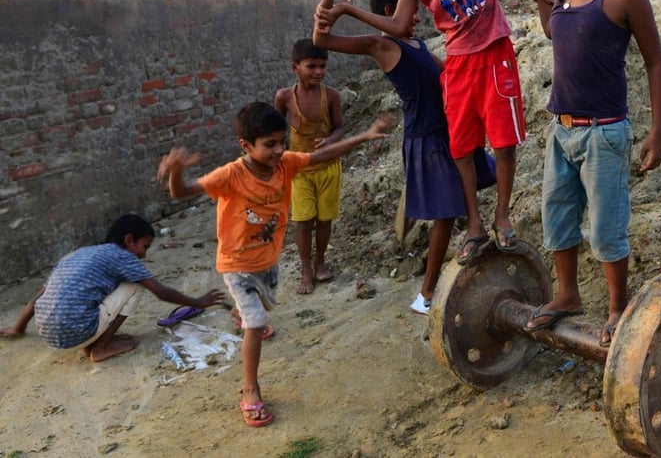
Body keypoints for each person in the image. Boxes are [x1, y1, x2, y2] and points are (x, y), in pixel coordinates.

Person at [314, 0, 555, 264]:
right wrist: (345, 9)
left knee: (505, 140)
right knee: (461, 146)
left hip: (495, 53)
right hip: (458, 64)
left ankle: (502, 215)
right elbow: (398, 25)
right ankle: (475, 223)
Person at [158, 102, 392, 427]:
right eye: (270, 144)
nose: (279, 150)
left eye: (282, 142)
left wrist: (365, 135)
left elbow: (322, 155)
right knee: (256, 325)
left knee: (261, 306)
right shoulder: (231, 175)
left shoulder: (286, 165)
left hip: (267, 261)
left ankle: (241, 311)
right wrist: (176, 171)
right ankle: (250, 390)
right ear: (246, 145)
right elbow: (182, 192)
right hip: (236, 264)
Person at [523, 0, 661, 346]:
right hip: (561, 128)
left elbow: (655, 62)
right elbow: (553, 31)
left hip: (604, 131)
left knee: (606, 225)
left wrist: (657, 130)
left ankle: (616, 306)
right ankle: (567, 295)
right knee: (559, 216)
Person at [313, 0, 497, 314]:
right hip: (426, 139)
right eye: (412, 11)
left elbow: (448, 75)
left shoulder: (418, 45)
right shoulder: (383, 46)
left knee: (478, 185)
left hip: (449, 131)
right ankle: (426, 295)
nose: (416, 18)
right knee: (446, 214)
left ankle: (476, 238)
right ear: (390, 10)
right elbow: (320, 37)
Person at [0, 214, 224, 363]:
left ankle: (95, 339)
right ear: (129, 240)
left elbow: (41, 293)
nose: (144, 255)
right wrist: (198, 302)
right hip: (74, 334)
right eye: (144, 247)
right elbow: (162, 293)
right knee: (135, 287)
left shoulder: (81, 253)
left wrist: (18, 327)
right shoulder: (123, 257)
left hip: (48, 334)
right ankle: (100, 347)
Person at [273, 39, 344, 295]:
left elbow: (339, 128)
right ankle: (305, 270)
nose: (318, 72)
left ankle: (320, 262)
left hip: (328, 167)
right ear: (296, 67)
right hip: (300, 170)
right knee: (303, 221)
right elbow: (275, 130)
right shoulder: (285, 97)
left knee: (325, 220)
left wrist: (330, 141)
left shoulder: (332, 96)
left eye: (322, 66)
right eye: (311, 66)